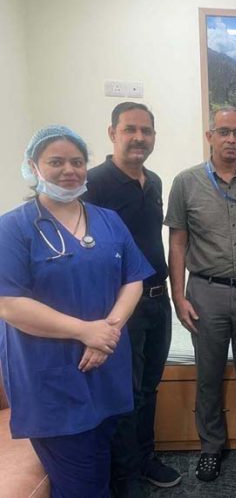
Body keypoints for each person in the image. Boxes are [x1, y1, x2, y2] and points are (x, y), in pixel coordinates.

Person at [0, 125, 154, 497]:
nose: (69, 169)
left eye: (77, 161)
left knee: (101, 466)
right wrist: (86, 332)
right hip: (51, 380)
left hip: (105, 366)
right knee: (81, 484)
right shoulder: (13, 228)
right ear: (33, 167)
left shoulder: (107, 220)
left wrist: (107, 333)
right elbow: (9, 304)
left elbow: (133, 279)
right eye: (56, 161)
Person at [165, 106, 236, 481]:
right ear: (210, 136)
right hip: (206, 292)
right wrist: (178, 296)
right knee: (209, 376)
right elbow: (178, 243)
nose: (231, 139)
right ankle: (211, 448)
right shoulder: (186, 182)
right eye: (224, 132)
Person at [83, 102, 180, 495]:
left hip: (159, 299)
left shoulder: (153, 181)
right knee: (127, 391)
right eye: (130, 130)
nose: (139, 137)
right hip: (124, 307)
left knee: (149, 387)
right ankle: (127, 478)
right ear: (112, 133)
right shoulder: (93, 184)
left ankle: (145, 458)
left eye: (146, 131)